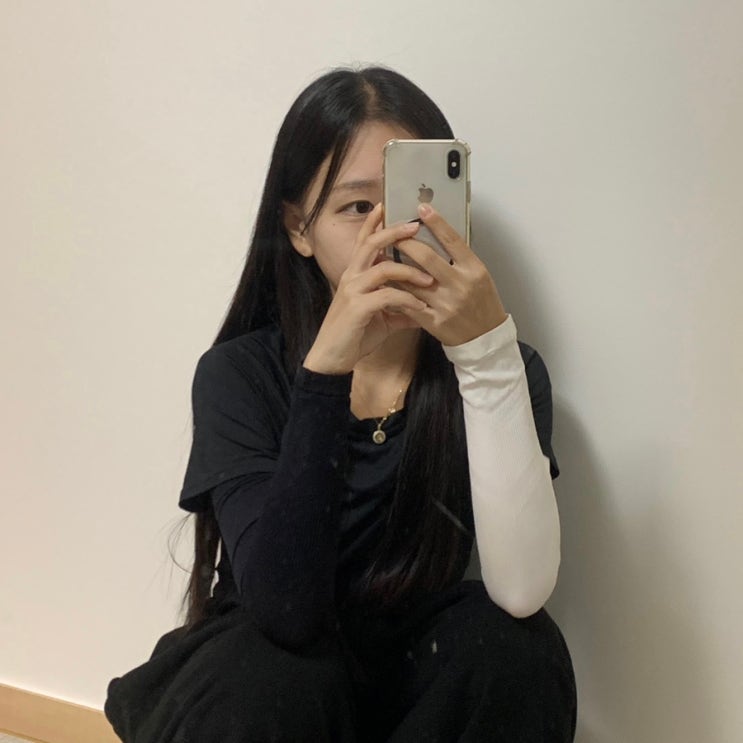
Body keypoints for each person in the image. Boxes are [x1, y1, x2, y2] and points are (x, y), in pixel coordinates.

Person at [104, 65, 576, 742]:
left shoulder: (501, 371)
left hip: (414, 677)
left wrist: (487, 355)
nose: (391, 233)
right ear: (299, 228)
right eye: (357, 208)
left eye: (417, 202)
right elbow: (286, 612)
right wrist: (325, 371)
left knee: (517, 649)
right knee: (281, 672)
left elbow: (521, 592)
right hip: (265, 670)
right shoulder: (240, 374)